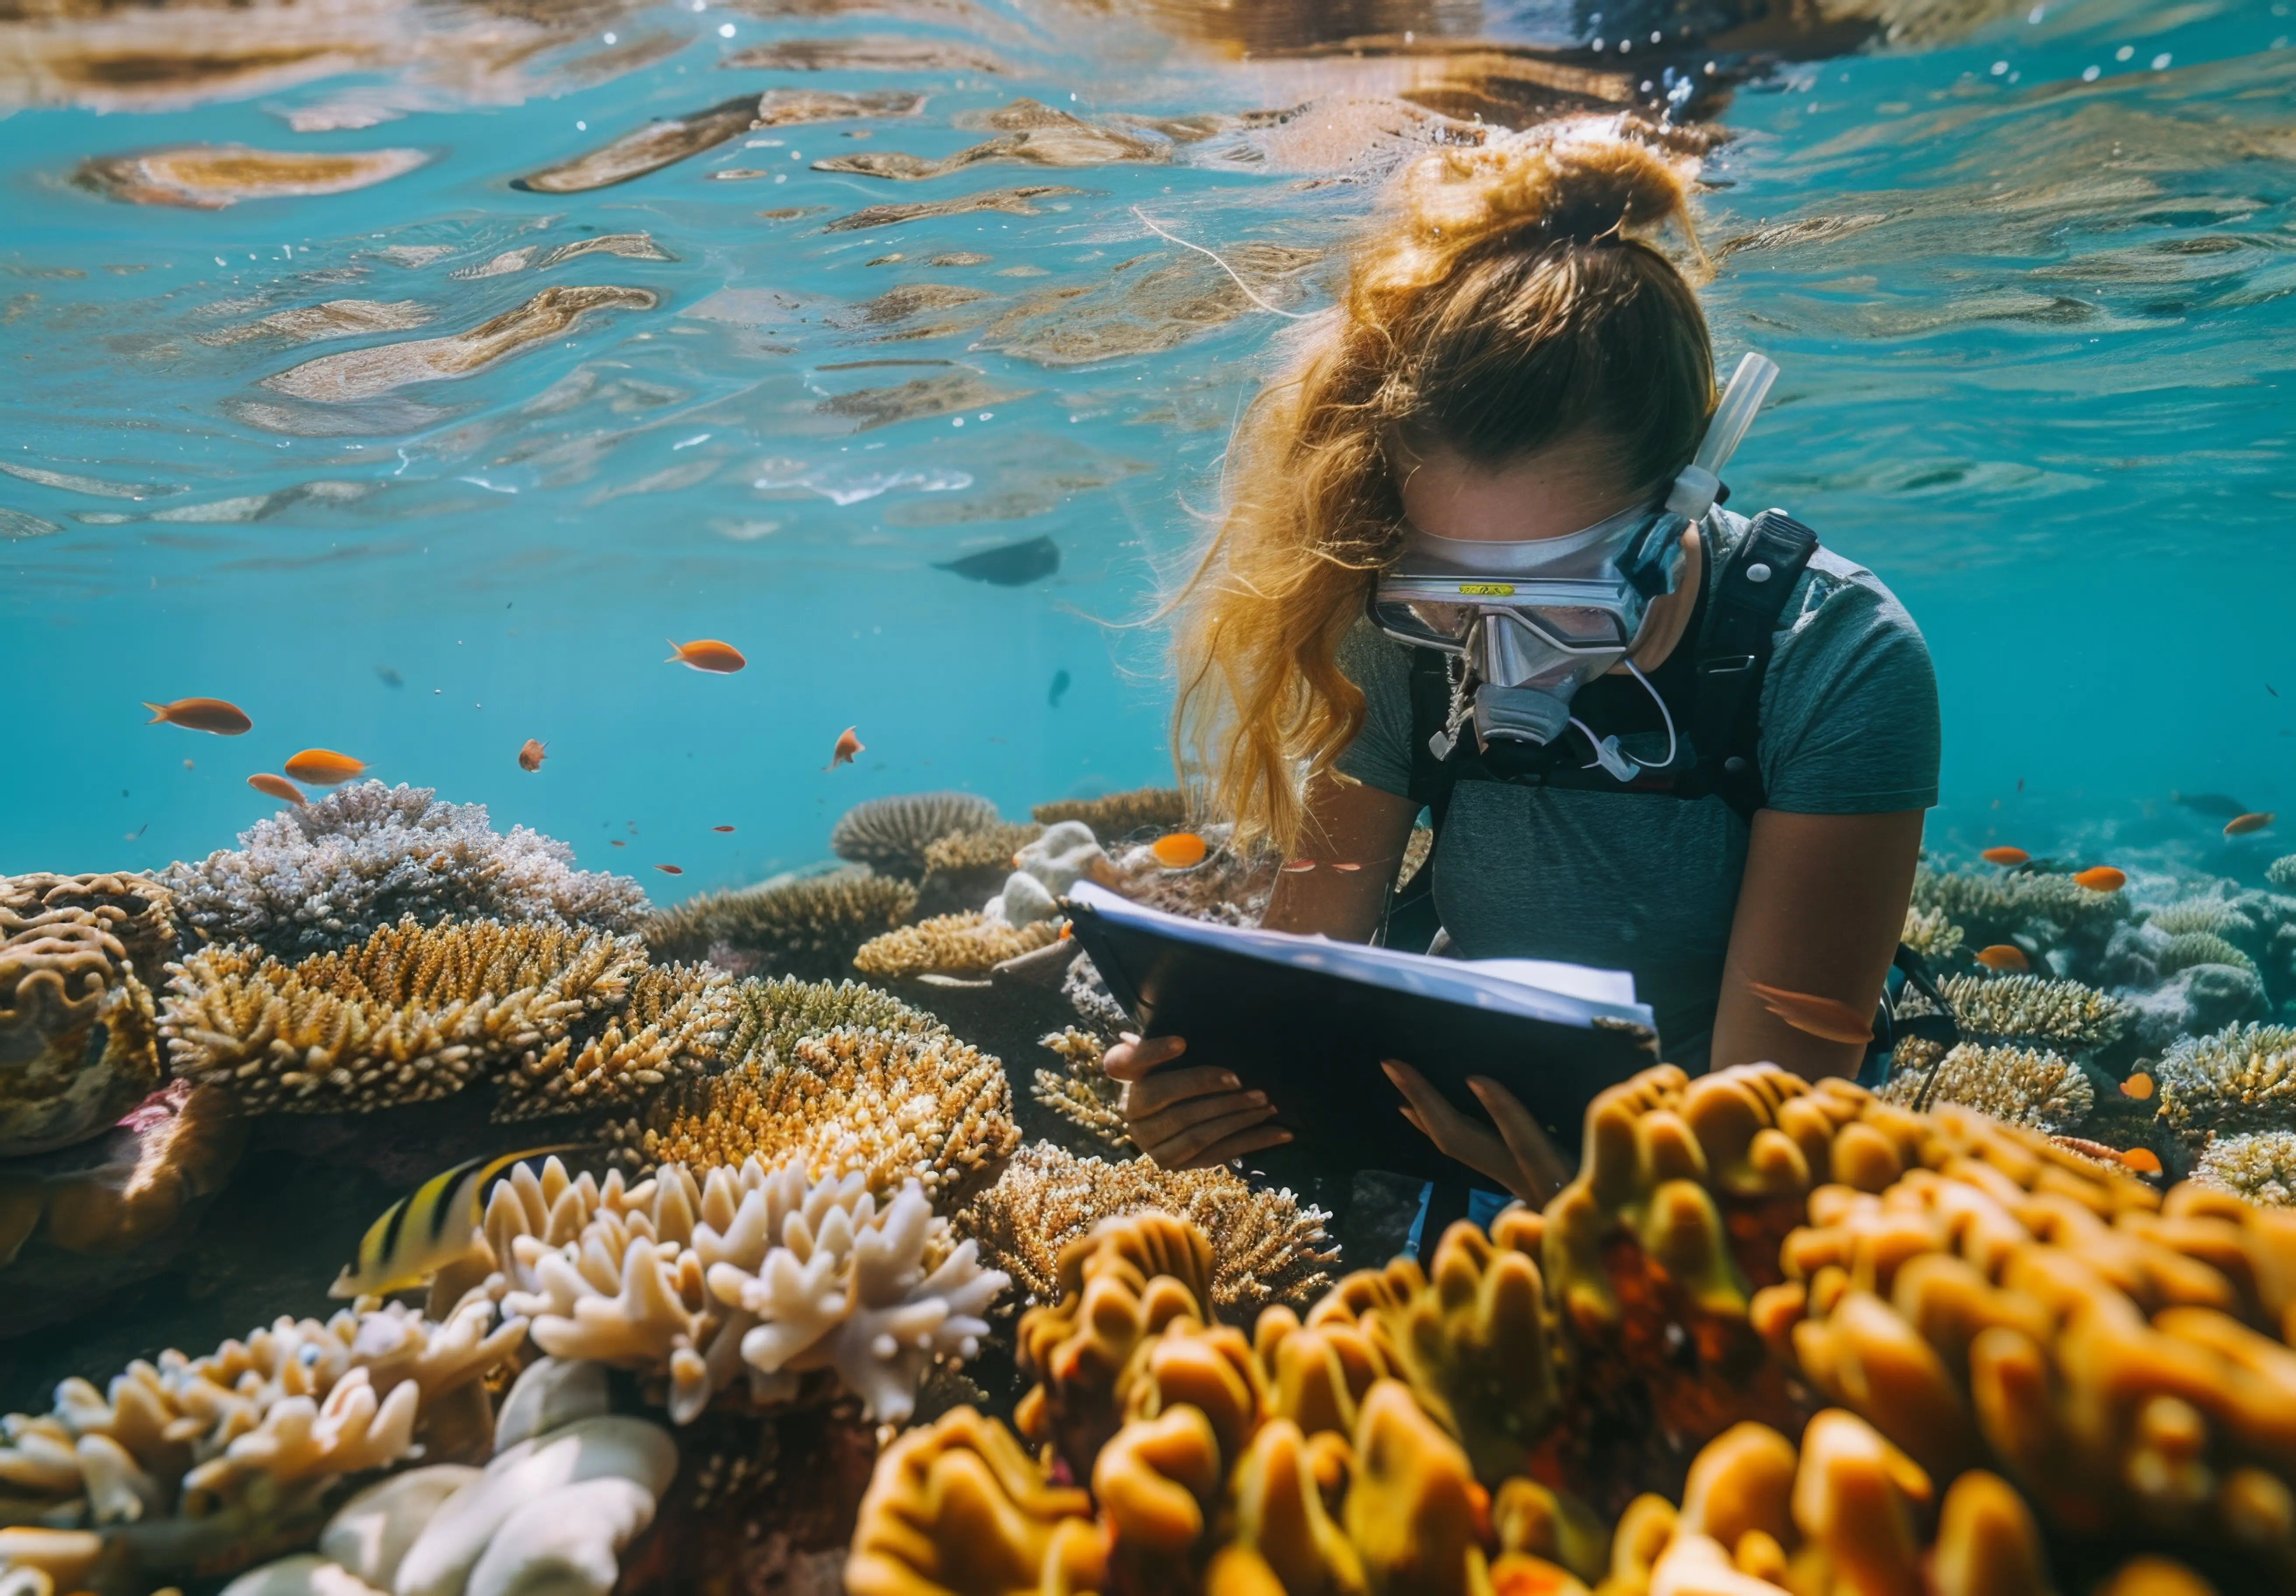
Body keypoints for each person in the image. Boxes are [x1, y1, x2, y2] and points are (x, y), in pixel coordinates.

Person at [1102, 116, 1940, 1207]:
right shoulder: (1388, 634)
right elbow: (1302, 968)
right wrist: (1214, 1089)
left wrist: (1600, 1205)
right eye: (1452, 602)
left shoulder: (1834, 657)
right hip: (1484, 1142)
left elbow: (1765, 1137)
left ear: (1685, 496)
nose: (1498, 658)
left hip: (1730, 1199)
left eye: (1563, 603)